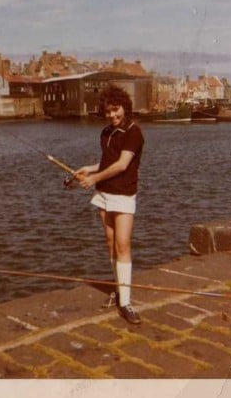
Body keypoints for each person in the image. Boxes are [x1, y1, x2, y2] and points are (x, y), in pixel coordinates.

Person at [74, 84, 144, 324]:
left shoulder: (134, 132)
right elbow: (108, 162)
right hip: (104, 193)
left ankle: (126, 302)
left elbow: (122, 165)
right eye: (108, 112)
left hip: (124, 194)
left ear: (125, 107)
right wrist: (89, 169)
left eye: (116, 110)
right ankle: (117, 290)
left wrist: (93, 178)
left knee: (123, 244)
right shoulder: (105, 133)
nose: (113, 115)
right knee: (110, 243)